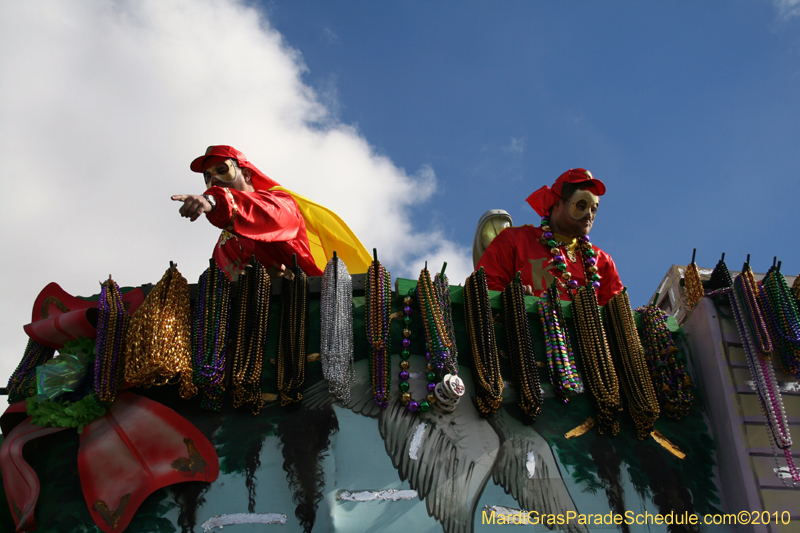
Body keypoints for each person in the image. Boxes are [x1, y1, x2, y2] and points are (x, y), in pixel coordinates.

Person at [475, 168, 623, 306]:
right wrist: (511, 299)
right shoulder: (515, 240)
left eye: (594, 209)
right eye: (581, 205)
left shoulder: (602, 261)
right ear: (556, 203)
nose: (589, 215)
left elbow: (618, 312)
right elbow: (484, 285)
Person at [172, 145, 324, 279]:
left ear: (246, 174)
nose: (214, 179)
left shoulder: (280, 202)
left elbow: (266, 215)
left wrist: (215, 201)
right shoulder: (222, 242)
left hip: (287, 307)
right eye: (207, 176)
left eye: (222, 170)